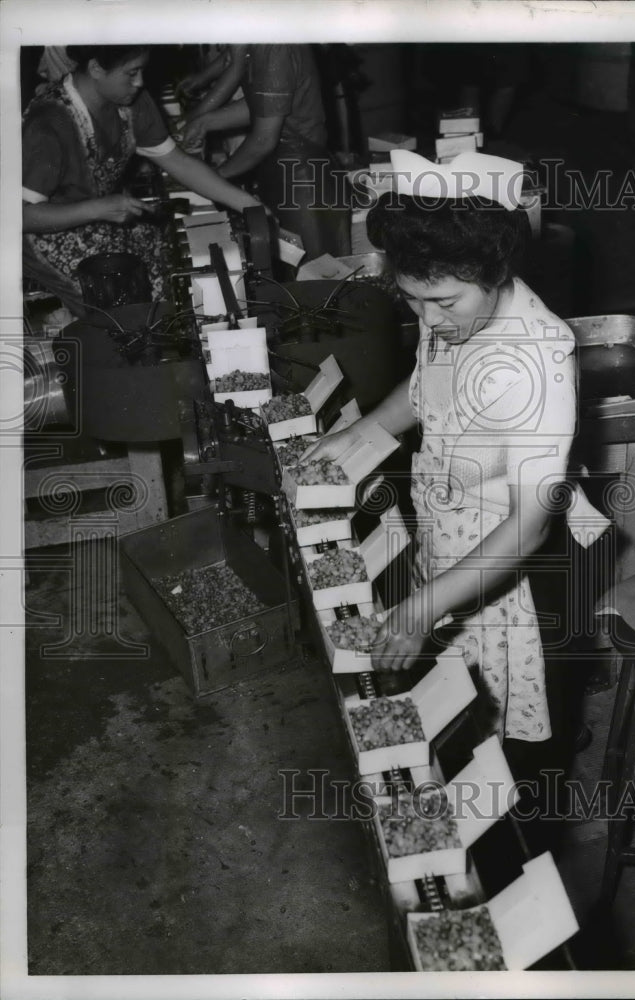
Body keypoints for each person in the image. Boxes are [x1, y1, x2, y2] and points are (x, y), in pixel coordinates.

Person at [306, 150, 605, 850]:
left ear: (496, 273)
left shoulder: (536, 358)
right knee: (454, 704)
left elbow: (529, 523)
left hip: (515, 570)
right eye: (411, 299)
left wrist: (424, 605)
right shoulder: (453, 315)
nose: (428, 319)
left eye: (442, 302)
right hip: (449, 538)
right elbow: (421, 393)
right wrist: (360, 433)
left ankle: (517, 849)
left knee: (511, 743)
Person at [22, 44, 260, 315]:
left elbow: (178, 162)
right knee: (126, 310)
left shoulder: (131, 102)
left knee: (166, 274)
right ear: (96, 68)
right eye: (131, 72)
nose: (140, 82)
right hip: (42, 237)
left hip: (97, 219)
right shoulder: (50, 122)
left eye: (142, 70)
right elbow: (19, 217)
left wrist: (248, 204)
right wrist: (98, 209)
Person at [182, 44, 350, 261]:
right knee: (291, 278)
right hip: (284, 173)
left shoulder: (273, 48)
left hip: (303, 182)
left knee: (316, 281)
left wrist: (214, 179)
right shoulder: (260, 41)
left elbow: (263, 140)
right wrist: (205, 122)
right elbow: (267, 107)